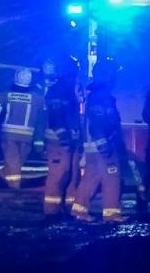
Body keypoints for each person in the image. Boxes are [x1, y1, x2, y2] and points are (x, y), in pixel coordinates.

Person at [71, 59, 124, 223]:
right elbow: (98, 122)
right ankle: (112, 214)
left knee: (91, 177)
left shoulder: (96, 96)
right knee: (111, 177)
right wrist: (104, 143)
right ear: (107, 75)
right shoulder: (102, 97)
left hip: (93, 146)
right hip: (102, 145)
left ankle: (79, 210)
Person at [41, 57, 82, 217]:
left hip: (70, 140)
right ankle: (51, 211)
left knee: (71, 174)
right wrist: (65, 138)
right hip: (59, 140)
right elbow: (56, 116)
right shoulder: (58, 90)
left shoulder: (68, 89)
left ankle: (68, 207)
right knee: (58, 175)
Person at [0, 68, 41, 189]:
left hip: (9, 134)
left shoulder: (7, 95)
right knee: (15, 162)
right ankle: (14, 186)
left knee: (15, 162)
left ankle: (4, 173)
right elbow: (44, 116)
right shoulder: (37, 98)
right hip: (26, 135)